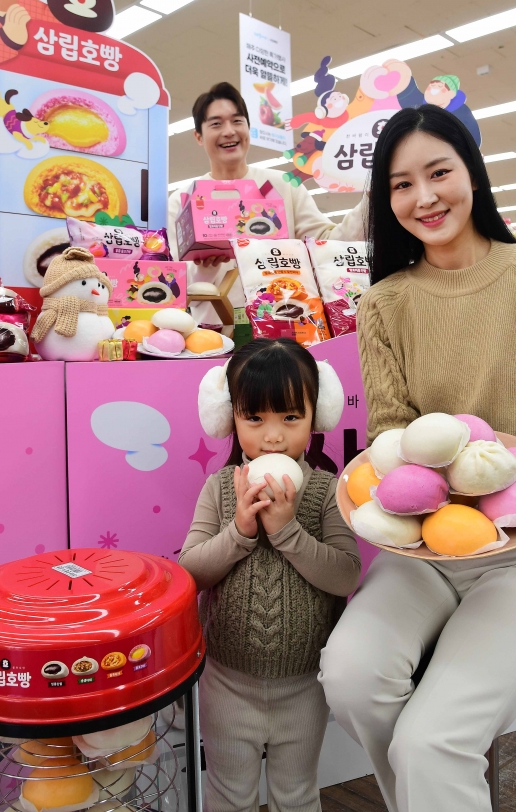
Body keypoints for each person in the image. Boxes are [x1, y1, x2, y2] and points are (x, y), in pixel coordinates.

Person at [318, 105, 516, 812]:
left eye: (439, 173)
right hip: (425, 554)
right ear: (387, 199)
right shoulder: (384, 304)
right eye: (402, 184)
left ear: (473, 172)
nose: (424, 197)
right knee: (348, 678)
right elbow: (395, 432)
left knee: (432, 742)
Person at [180, 338, 361, 812]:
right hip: (226, 680)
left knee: (296, 794)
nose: (273, 437)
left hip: (304, 683)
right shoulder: (220, 488)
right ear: (229, 418)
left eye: (290, 418)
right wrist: (240, 529)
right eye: (254, 418)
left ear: (317, 416)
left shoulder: (325, 492)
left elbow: (345, 576)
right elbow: (190, 574)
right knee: (228, 792)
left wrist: (287, 532)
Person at [168, 83, 366, 325]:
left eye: (237, 121)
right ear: (198, 136)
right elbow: (177, 284)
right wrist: (204, 269)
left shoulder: (284, 185)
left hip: (286, 323)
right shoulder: (183, 200)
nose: (229, 131)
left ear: (248, 128)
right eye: (216, 124)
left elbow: (328, 244)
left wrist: (371, 201)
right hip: (214, 333)